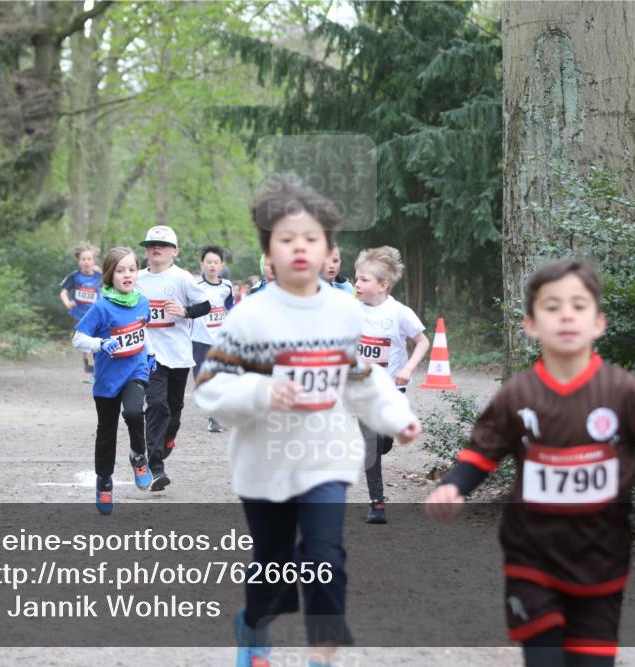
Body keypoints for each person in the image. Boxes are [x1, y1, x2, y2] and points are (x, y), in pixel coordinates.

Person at [194, 174, 422, 667]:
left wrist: (397, 417)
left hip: (327, 458)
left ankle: (323, 651)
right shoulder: (249, 318)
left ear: (328, 251)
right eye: (287, 239)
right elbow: (210, 388)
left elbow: (362, 379)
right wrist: (260, 390)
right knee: (272, 566)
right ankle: (253, 625)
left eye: (311, 239)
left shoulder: (344, 313)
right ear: (268, 252)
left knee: (325, 556)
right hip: (265, 464)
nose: (300, 247)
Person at [425, 259, 635, 667]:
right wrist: (454, 486)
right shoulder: (517, 394)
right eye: (552, 307)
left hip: (602, 562)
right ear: (531, 325)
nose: (566, 314)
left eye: (578, 305)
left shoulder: (624, 392)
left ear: (599, 322)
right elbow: (482, 453)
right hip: (531, 559)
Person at [71, 247, 154, 514]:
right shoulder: (101, 307)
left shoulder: (142, 301)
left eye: (132, 269)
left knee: (133, 413)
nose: (127, 275)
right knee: (106, 433)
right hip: (107, 381)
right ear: (109, 275)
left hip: (135, 372)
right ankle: (104, 481)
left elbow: (143, 331)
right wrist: (100, 343)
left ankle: (139, 457)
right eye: (121, 270)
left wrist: (151, 354)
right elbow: (78, 338)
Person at [353, 246, 430, 523]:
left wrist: (408, 368)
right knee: (371, 443)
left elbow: (422, 342)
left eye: (364, 279)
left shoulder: (399, 312)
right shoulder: (350, 310)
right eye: (356, 278)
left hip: (392, 391)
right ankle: (377, 503)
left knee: (382, 443)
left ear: (382, 285)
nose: (357, 284)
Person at [136, 225, 211, 491]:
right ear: (146, 250)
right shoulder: (137, 279)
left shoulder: (182, 278)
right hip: (149, 356)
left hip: (178, 355)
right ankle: (156, 468)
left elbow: (206, 305)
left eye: (163, 245)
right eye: (151, 244)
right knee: (156, 405)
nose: (156, 248)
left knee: (174, 412)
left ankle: (168, 439)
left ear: (174, 251)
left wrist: (185, 311)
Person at [193, 244, 235, 433]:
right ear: (202, 264)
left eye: (215, 262)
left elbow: (230, 307)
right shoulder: (195, 286)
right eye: (208, 262)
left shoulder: (227, 286)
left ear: (221, 265)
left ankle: (215, 416)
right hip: (199, 340)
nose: (212, 265)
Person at [59, 242, 103, 382]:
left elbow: (111, 283)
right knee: (87, 343)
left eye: (89, 259)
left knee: (94, 342)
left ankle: (93, 371)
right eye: (83, 259)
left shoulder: (99, 276)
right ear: (78, 261)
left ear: (94, 261)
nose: (86, 262)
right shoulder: (75, 276)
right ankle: (90, 372)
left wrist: (102, 271)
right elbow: (63, 292)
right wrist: (68, 303)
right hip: (81, 315)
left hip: (97, 315)